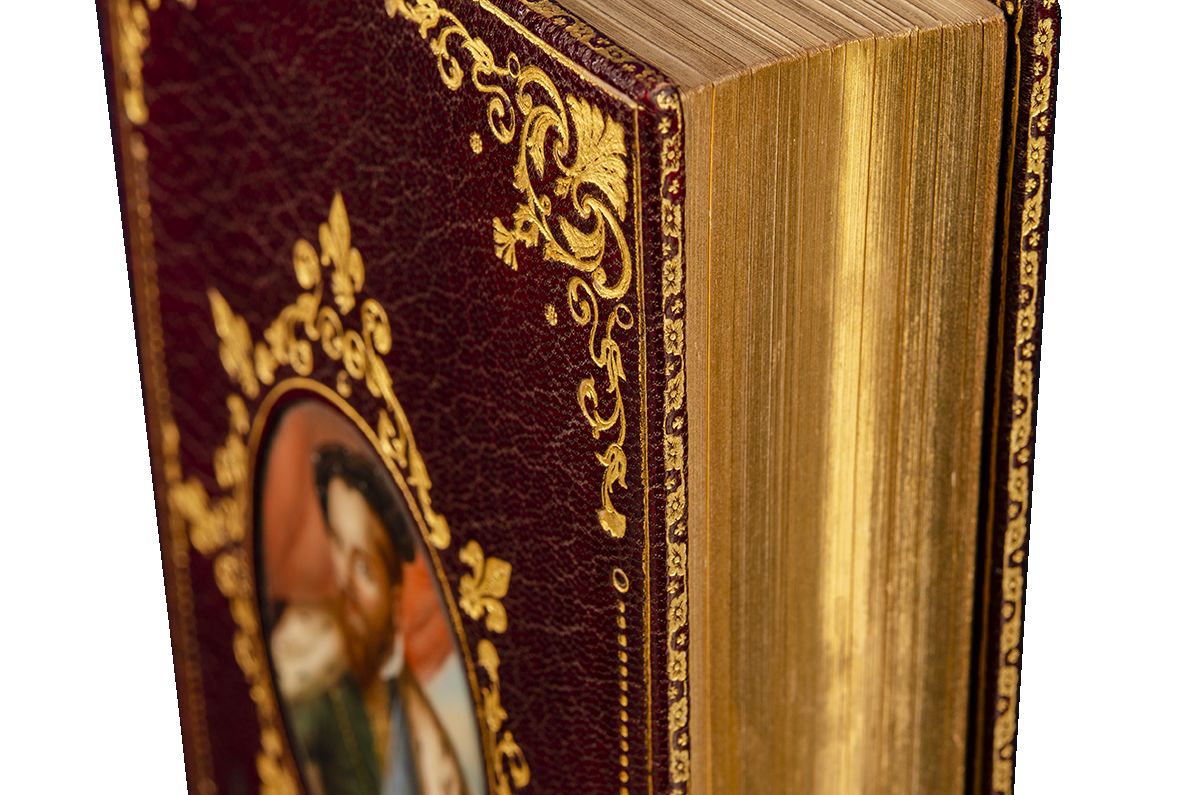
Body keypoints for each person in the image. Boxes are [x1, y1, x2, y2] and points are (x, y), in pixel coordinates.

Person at [286, 445, 468, 795]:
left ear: (395, 599)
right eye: (336, 544)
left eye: (364, 569)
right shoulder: (307, 662)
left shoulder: (424, 738)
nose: (344, 582)